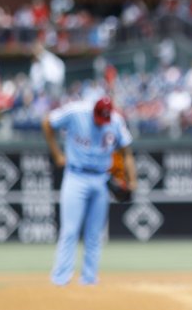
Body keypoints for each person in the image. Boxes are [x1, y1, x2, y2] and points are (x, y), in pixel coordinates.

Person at [42, 96, 137, 286]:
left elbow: (127, 153)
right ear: (94, 110)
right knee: (70, 230)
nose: (102, 121)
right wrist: (57, 154)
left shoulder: (116, 120)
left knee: (95, 233)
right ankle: (60, 278)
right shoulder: (76, 112)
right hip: (76, 176)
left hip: (101, 178)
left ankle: (89, 279)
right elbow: (47, 122)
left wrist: (132, 181)